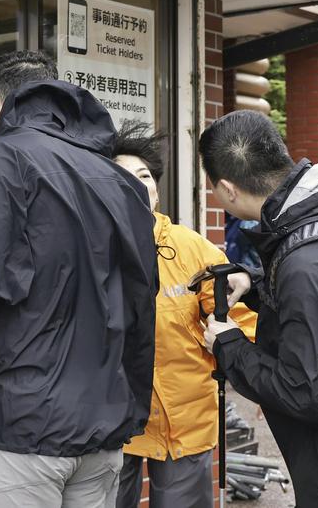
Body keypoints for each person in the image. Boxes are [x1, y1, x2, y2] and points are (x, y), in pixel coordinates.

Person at [0, 50, 157, 508]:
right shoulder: (120, 180)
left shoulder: (2, 157)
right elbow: (141, 301)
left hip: (21, 421)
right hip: (102, 427)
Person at [200, 109, 318, 505]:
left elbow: (308, 393)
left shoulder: (308, 264)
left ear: (227, 189)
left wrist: (229, 345)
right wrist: (254, 283)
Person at [112, 121, 256, 508]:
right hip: (112, 418)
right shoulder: (92, 251)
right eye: (124, 177)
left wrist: (262, 372)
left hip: (185, 418)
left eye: (144, 175)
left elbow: (238, 318)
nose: (139, 184)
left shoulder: (193, 248)